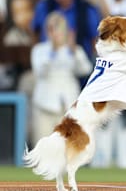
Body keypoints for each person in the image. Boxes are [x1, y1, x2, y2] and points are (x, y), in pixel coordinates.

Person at [30, 11, 92, 146]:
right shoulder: (40, 50)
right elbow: (39, 71)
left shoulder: (73, 50)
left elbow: (85, 69)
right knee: (43, 146)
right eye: (52, 29)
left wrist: (74, 51)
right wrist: (53, 51)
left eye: (59, 28)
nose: (56, 33)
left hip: (67, 105)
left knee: (67, 148)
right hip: (44, 105)